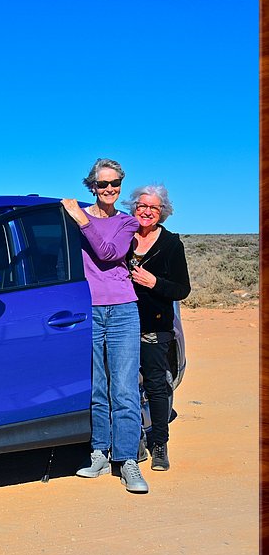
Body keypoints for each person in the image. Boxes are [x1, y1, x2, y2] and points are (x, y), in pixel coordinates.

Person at [61, 158, 148, 493]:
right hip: (89, 310)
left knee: (124, 388)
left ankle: (127, 461)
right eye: (103, 185)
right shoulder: (76, 218)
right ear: (92, 187)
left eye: (115, 185)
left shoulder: (126, 224)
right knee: (97, 386)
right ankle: (99, 452)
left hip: (123, 310)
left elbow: (108, 253)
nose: (109, 190)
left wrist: (81, 219)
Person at [125, 183, 191, 471]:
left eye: (153, 207)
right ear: (134, 208)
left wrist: (154, 283)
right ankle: (132, 441)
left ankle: (159, 443)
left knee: (154, 385)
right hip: (122, 323)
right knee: (124, 385)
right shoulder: (124, 237)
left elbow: (182, 289)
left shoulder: (171, 244)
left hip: (155, 326)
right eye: (142, 206)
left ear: (162, 212)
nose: (147, 211)